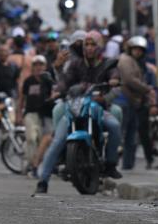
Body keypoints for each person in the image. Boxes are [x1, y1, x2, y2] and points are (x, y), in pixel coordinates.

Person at [36, 31, 123, 194]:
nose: (89, 48)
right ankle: (43, 180)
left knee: (114, 125)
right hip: (75, 107)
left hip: (97, 108)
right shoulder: (76, 64)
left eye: (93, 44)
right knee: (58, 140)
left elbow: (115, 76)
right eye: (86, 45)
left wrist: (113, 81)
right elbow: (65, 81)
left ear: (100, 46)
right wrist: (58, 90)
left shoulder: (108, 63)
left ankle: (111, 164)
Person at [116, 36, 157, 170]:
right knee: (121, 134)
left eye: (140, 50)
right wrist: (146, 89)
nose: (138, 52)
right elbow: (130, 79)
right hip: (124, 100)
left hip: (134, 102)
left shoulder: (139, 63)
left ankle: (128, 165)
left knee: (132, 135)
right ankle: (113, 163)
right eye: (135, 49)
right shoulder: (126, 60)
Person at [18, 55, 55, 178]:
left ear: (45, 66)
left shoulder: (48, 81)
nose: (38, 67)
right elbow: (22, 98)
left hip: (43, 115)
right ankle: (31, 164)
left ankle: (35, 164)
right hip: (30, 113)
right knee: (31, 138)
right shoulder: (28, 81)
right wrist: (19, 114)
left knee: (41, 140)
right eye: (36, 65)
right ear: (32, 67)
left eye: (41, 64)